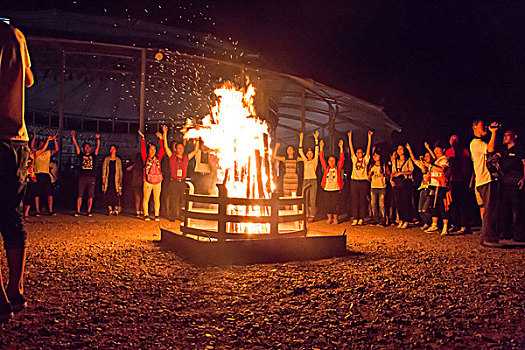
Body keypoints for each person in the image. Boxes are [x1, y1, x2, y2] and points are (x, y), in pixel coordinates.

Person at [0, 21, 34, 323]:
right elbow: (29, 80)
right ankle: (16, 289)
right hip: (18, 139)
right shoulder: (16, 35)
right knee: (12, 216)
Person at [470, 120, 500, 247]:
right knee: (489, 209)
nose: (486, 128)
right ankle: (488, 238)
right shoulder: (476, 143)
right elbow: (490, 148)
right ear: (475, 127)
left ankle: (489, 237)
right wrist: (494, 133)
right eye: (483, 126)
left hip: (486, 179)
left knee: (491, 208)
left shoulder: (479, 143)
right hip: (484, 179)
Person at [162, 125, 199, 222]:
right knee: (174, 199)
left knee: (182, 200)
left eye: (182, 147)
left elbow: (195, 151)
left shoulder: (186, 158)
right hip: (174, 181)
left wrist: (197, 140)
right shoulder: (172, 157)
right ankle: (173, 216)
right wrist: (165, 134)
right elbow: (165, 146)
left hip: (182, 182)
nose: (181, 149)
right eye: (179, 148)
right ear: (176, 149)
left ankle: (181, 216)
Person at [499, 129, 525, 242]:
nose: (505, 137)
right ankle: (507, 233)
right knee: (506, 208)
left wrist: (524, 178)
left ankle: (519, 235)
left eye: (507, 135)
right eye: (504, 135)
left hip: (516, 181)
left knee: (517, 209)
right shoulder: (503, 150)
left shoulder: (519, 149)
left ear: (514, 136)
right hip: (505, 182)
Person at [446, 135, 472, 233]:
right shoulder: (448, 152)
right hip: (453, 180)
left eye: (455, 139)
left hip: (462, 179)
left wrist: (470, 181)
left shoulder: (464, 151)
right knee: (454, 203)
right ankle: (455, 224)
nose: (453, 141)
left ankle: (464, 225)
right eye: (452, 139)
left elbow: (469, 166)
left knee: (463, 203)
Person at [423, 143, 451, 235]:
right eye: (435, 150)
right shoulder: (437, 160)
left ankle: (445, 227)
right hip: (434, 185)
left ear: (443, 149)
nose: (436, 152)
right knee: (434, 205)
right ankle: (434, 224)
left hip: (441, 185)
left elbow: (442, 170)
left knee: (443, 206)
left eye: (438, 150)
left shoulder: (445, 159)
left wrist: (430, 166)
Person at [71, 130, 100, 217]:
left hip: (91, 177)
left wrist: (98, 139)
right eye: (86, 147)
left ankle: (89, 211)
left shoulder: (93, 156)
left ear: (90, 148)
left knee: (90, 195)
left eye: (88, 147)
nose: (87, 148)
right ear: (83, 149)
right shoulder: (81, 155)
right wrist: (73, 137)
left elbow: (98, 148)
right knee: (80, 194)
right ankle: (78, 211)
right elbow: (76, 146)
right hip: (82, 177)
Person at [406, 143, 433, 230]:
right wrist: (409, 149)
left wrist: (428, 148)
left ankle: (431, 223)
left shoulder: (433, 165)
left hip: (430, 189)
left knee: (426, 209)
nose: (426, 157)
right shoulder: (422, 165)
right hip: (422, 188)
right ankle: (426, 223)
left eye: (428, 156)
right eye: (425, 156)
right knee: (420, 210)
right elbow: (414, 159)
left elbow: (434, 158)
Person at [348, 130, 373, 225]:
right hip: (354, 181)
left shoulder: (365, 160)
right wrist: (349, 138)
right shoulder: (354, 159)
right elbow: (351, 149)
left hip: (363, 181)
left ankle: (361, 218)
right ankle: (355, 218)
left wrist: (369, 138)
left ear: (362, 154)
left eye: (360, 153)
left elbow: (368, 149)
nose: (358, 154)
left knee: (362, 200)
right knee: (355, 200)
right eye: (357, 152)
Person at [139, 130, 164, 221]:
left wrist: (161, 139)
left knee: (157, 198)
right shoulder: (145, 157)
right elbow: (142, 149)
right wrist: (143, 139)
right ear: (148, 150)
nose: (152, 151)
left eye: (154, 149)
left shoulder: (158, 158)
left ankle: (156, 215)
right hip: (148, 181)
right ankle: (146, 214)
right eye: (151, 149)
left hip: (157, 181)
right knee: (146, 198)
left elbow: (162, 149)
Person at [32, 132, 58, 216]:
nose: (42, 146)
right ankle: (37, 210)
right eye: (40, 144)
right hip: (38, 174)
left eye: (43, 145)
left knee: (49, 193)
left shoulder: (47, 153)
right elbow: (32, 147)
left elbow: (56, 149)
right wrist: (34, 137)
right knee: (37, 193)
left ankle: (50, 209)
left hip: (46, 175)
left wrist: (54, 140)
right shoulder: (36, 153)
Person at [319, 138, 345, 224]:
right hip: (327, 189)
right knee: (327, 204)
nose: (331, 161)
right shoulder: (326, 168)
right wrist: (321, 147)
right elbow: (321, 159)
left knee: (335, 204)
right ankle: (329, 218)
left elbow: (342, 159)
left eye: (333, 160)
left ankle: (335, 218)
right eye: (330, 160)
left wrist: (341, 147)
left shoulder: (337, 168)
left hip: (335, 189)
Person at [390, 145, 414, 229]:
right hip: (397, 182)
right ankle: (401, 219)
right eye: (398, 149)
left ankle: (406, 220)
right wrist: (391, 179)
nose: (399, 150)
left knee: (405, 201)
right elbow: (393, 171)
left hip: (406, 182)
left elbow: (411, 171)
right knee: (398, 202)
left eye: (401, 149)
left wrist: (402, 173)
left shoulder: (408, 160)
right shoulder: (395, 161)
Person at [298, 131, 319, 221]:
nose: (310, 155)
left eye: (311, 153)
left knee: (312, 198)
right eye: (308, 153)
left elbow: (317, 151)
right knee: (304, 198)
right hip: (305, 180)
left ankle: (312, 215)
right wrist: (301, 139)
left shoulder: (315, 161)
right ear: (306, 155)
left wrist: (316, 139)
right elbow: (300, 151)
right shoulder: (305, 161)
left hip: (313, 180)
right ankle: (305, 214)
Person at [368, 151, 390, 226]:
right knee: (373, 203)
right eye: (374, 155)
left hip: (381, 187)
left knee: (381, 204)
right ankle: (375, 219)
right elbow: (368, 178)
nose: (375, 157)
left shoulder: (383, 166)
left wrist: (383, 175)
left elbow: (388, 176)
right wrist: (370, 174)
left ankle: (383, 220)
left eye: (377, 155)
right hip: (373, 187)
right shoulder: (372, 166)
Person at [102, 145, 123, 215]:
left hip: (116, 179)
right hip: (109, 179)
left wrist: (120, 179)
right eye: (111, 149)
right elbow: (104, 169)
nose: (112, 150)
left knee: (116, 193)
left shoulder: (118, 160)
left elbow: (120, 170)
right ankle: (110, 209)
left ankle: (116, 209)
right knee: (108, 193)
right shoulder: (107, 159)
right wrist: (103, 178)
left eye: (113, 149)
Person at [126, 153, 144, 217]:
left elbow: (127, 169)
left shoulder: (135, 165)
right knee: (142, 198)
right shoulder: (143, 166)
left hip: (135, 183)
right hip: (141, 182)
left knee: (137, 198)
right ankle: (141, 210)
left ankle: (137, 211)